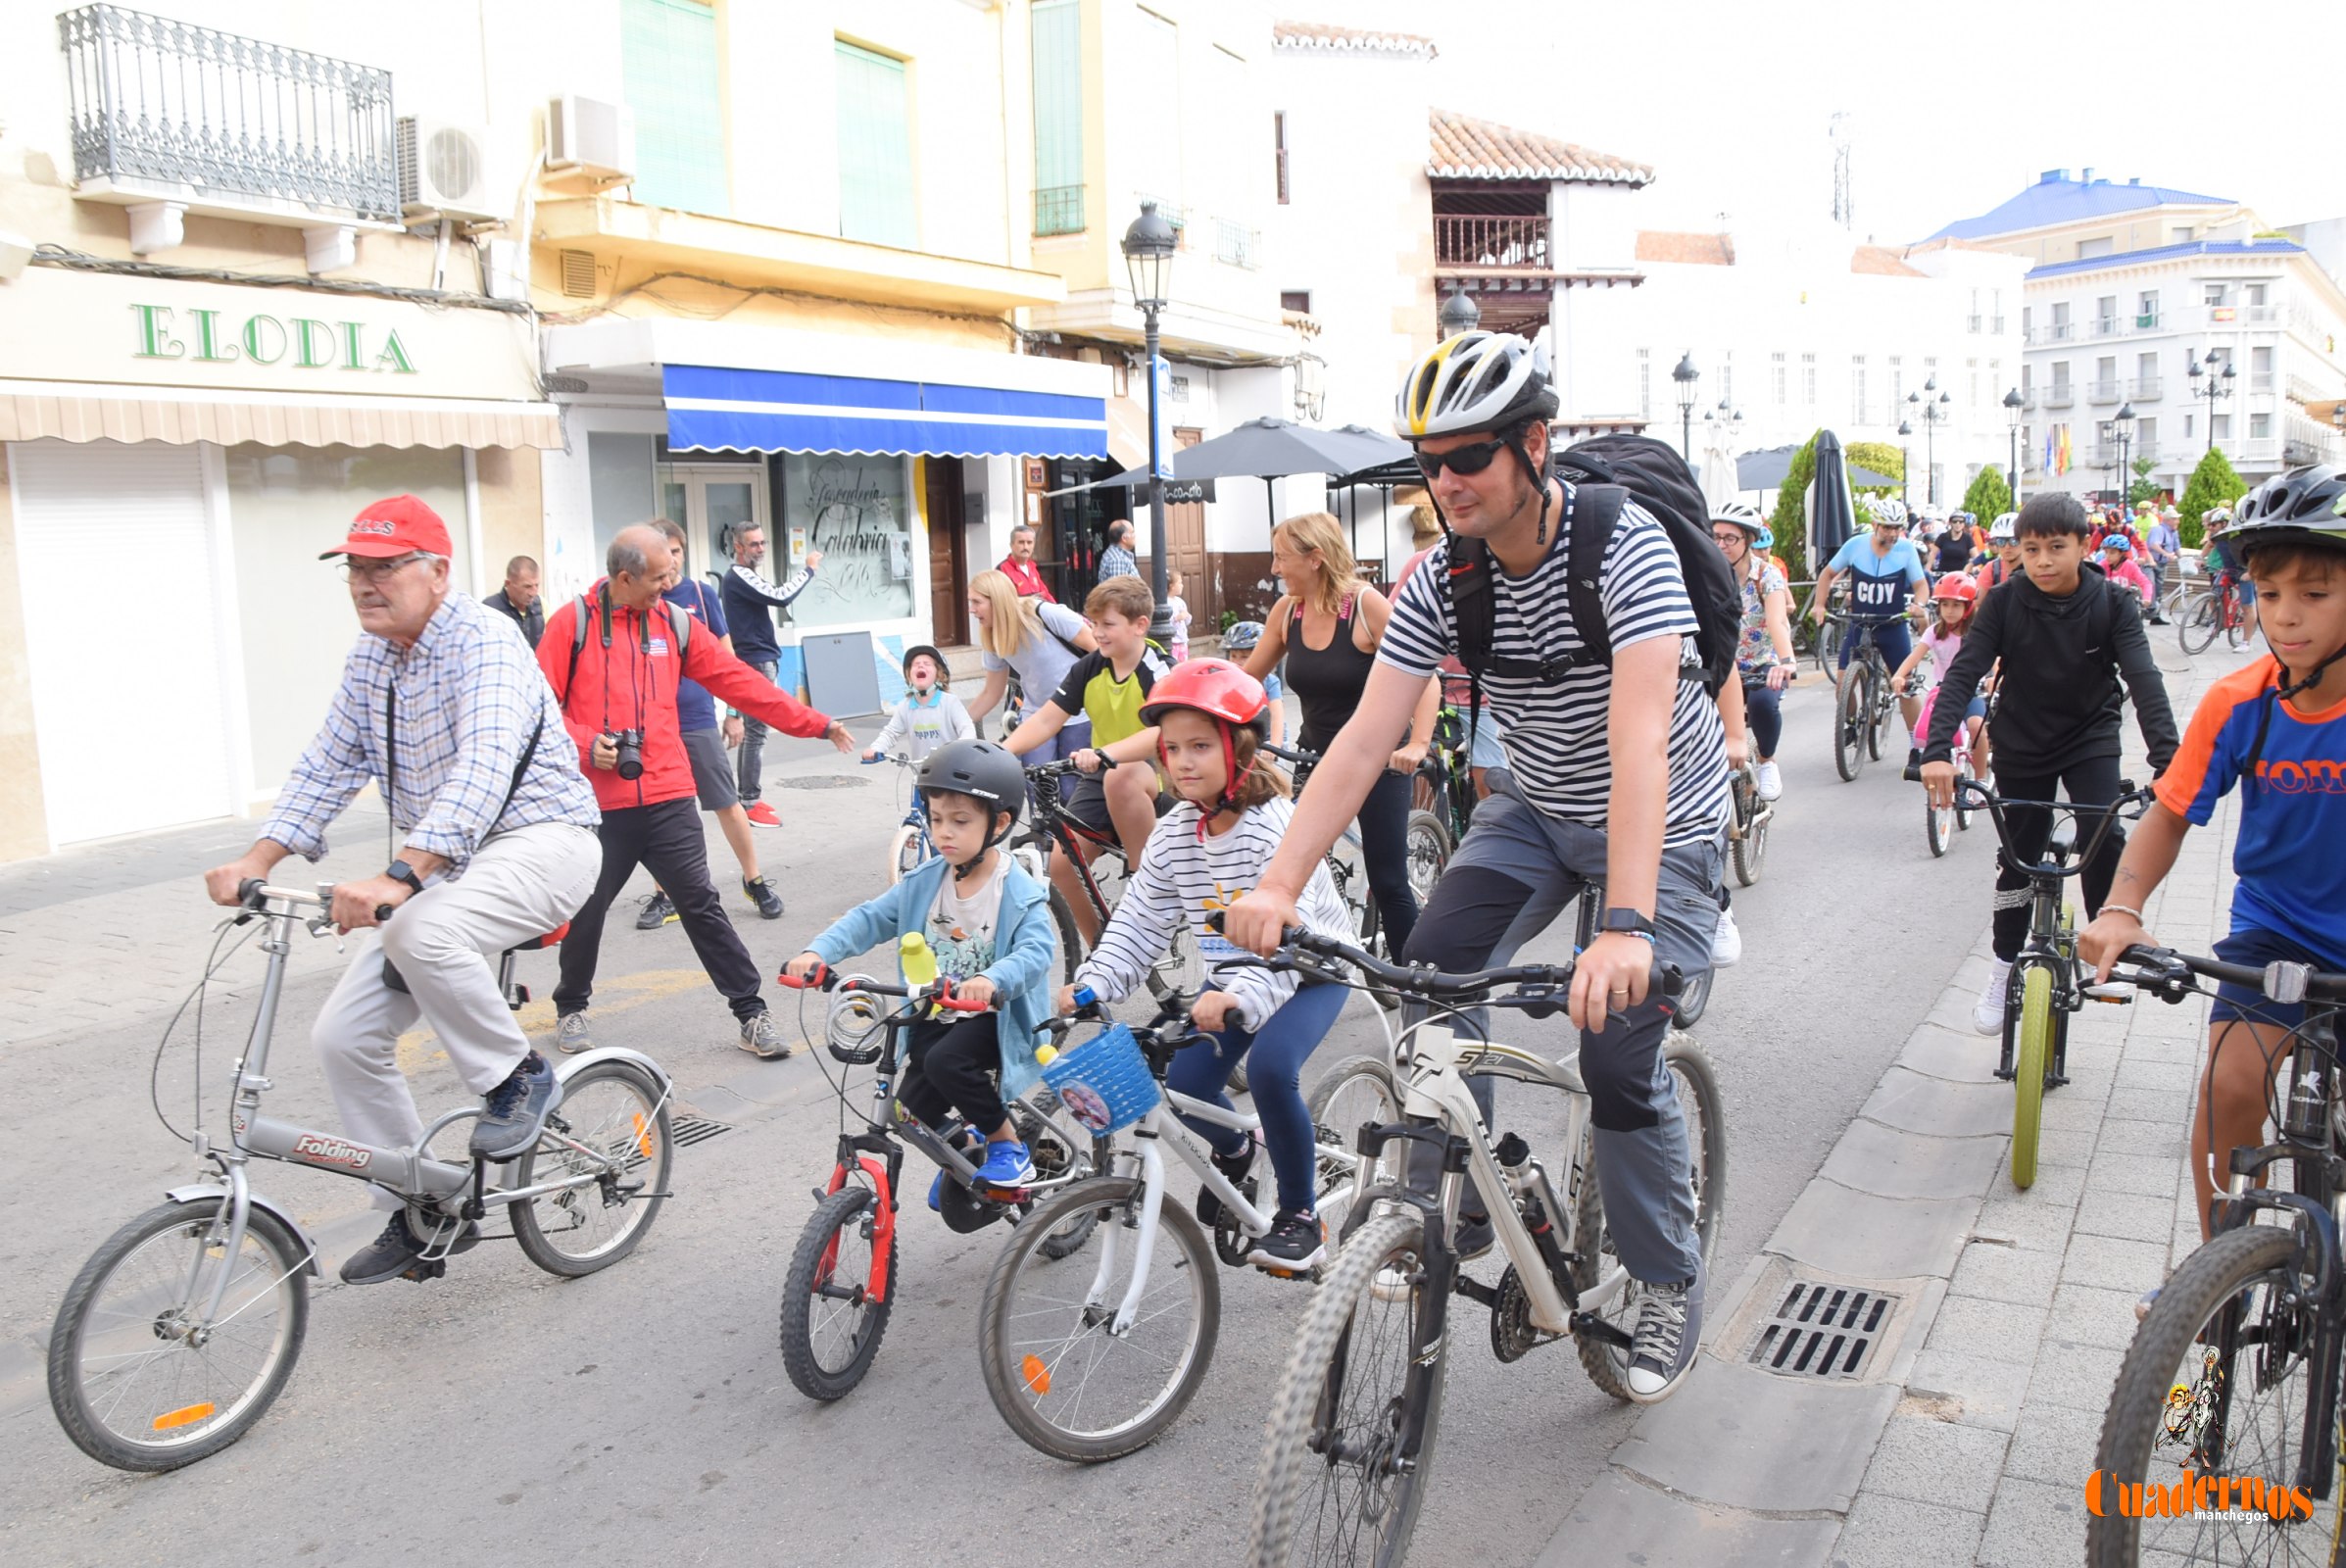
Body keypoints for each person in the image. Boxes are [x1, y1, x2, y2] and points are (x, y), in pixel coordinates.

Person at [1223, 329, 1725, 1402]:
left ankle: (1667, 1277)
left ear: (1533, 445)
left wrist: (1625, 927)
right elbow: (1364, 739)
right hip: (1539, 811)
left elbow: (1640, 748)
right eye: (1430, 460)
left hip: (1665, 818)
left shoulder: (1627, 549)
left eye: (1470, 457)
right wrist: (1276, 883)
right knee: (1430, 967)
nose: (1446, 480)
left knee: (1617, 1052)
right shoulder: (1440, 578)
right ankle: (1466, 1172)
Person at [202, 496, 603, 1286]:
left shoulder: (484, 640)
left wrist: (398, 876)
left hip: (542, 842)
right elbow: (328, 763)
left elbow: (483, 768)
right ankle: (423, 1208)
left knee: (418, 931)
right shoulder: (372, 659)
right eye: (355, 568)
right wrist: (259, 858)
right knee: (341, 1037)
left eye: (385, 566)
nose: (364, 583)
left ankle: (518, 1078)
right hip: (446, 870)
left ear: (438, 572)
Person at [2078, 465, 2346, 1249]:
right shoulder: (2240, 700)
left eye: (2314, 593)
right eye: (2268, 594)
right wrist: (2121, 910)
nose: (2286, 617)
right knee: (2230, 1088)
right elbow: (2169, 815)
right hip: (2277, 933)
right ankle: (2213, 1281)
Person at [1055, 660, 1352, 1269]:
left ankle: (1301, 1213)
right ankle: (1240, 1150)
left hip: (1309, 969)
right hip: (1235, 976)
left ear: (1240, 749)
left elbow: (1279, 955)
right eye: (1171, 748)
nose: (1182, 761)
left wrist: (1237, 997)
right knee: (1187, 1086)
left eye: (1199, 746)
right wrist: (1090, 984)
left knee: (1271, 1070)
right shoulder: (1173, 833)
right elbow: (1138, 923)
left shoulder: (1270, 831)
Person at [543, 525, 856, 1061]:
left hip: (667, 793)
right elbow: (538, 706)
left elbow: (741, 682)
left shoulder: (676, 624)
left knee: (702, 905)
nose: (669, 586)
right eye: (659, 578)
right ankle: (571, 1005)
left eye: (672, 574)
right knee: (586, 909)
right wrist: (584, 742)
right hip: (597, 805)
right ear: (624, 577)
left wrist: (815, 723)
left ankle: (751, 1014)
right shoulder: (572, 624)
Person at [1920, 494, 2178, 1035]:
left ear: (2084, 547)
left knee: (2102, 828)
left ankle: (2106, 945)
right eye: (2031, 549)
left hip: (2090, 736)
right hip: (2022, 738)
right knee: (2020, 850)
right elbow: (1964, 673)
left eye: (2056, 548)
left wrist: (2168, 760)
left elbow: (2144, 679)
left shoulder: (2113, 602)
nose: (2041, 561)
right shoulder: (2005, 601)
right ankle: (2002, 964)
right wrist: (1937, 752)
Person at [786, 739, 1057, 1196]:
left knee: (946, 1062)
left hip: (995, 1017)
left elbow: (1036, 952)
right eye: (935, 820)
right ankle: (965, 1152)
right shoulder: (924, 882)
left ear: (1000, 823)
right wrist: (818, 953)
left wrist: (990, 979)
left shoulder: (1017, 889)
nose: (943, 833)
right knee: (905, 1108)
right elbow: (868, 918)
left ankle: (1007, 1145)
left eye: (960, 821)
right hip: (938, 1011)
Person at [1234, 511, 1439, 957]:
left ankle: (1416, 985)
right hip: (1317, 757)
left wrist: (1417, 743)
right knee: (1290, 870)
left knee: (1388, 880)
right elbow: (1248, 683)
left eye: (1281, 558)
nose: (1273, 569)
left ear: (1316, 559)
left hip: (1376, 761)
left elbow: (1426, 676)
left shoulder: (1366, 607)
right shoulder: (1288, 611)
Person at [1002, 574, 1172, 943]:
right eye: (1093, 623)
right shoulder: (1091, 667)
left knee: (1121, 775)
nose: (1097, 632)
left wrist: (1106, 753)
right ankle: (1103, 948)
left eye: (1107, 624)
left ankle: (1147, 886)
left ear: (1140, 625)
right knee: (1062, 866)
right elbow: (1048, 718)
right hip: (1104, 773)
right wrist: (1000, 753)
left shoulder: (1157, 669)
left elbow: (1162, 732)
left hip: (1156, 775)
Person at [634, 520, 786, 930]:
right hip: (655, 724)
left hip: (699, 717)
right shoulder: (640, 598)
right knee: (660, 810)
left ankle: (754, 881)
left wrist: (734, 712)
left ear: (682, 553)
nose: (670, 560)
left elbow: (726, 659)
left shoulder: (701, 595)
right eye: (661, 551)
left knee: (727, 803)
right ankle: (664, 894)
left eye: (676, 551)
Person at [718, 523, 823, 828]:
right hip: (755, 661)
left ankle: (749, 796)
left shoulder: (742, 576)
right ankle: (749, 800)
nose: (761, 549)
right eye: (754, 544)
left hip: (760, 659)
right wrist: (809, 570)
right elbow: (780, 597)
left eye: (763, 543)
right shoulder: (738, 576)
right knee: (756, 734)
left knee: (756, 733)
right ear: (738, 547)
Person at [1814, 494, 1931, 747]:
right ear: (1874, 524)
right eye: (1887, 527)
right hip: (1860, 623)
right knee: (1843, 685)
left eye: (1897, 528)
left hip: (1892, 625)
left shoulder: (1906, 549)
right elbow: (1827, 574)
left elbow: (1922, 586)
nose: (1892, 533)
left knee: (1906, 686)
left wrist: (1918, 605)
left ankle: (1918, 745)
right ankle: (1855, 721)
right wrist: (1819, 605)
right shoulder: (1855, 545)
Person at [964, 568, 1098, 760]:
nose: (971, 609)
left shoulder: (1044, 614)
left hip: (1079, 713)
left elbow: (1100, 652)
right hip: (1036, 714)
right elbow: (991, 692)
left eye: (977, 602)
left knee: (1071, 786)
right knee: (1035, 782)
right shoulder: (992, 636)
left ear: (997, 599)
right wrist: (957, 725)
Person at [1713, 502, 1793, 802]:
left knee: (1762, 704)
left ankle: (1766, 761)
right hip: (1721, 664)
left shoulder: (1767, 575)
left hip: (1761, 663)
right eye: (1716, 537)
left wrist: (1786, 661)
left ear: (1748, 539)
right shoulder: (1708, 573)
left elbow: (1776, 620)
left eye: (1730, 538)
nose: (1721, 544)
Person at [1893, 574, 1988, 779]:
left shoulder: (1978, 633)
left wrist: (1993, 678)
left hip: (1973, 690)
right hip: (1943, 690)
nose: (1949, 611)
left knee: (1976, 727)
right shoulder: (1934, 632)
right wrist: (1899, 676)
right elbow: (1914, 657)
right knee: (1930, 730)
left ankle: (1980, 783)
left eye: (1956, 605)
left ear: (1968, 607)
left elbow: (1997, 658)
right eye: (1944, 604)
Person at [864, 644, 975, 761]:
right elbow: (890, 733)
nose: (921, 665)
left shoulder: (949, 702)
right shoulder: (905, 707)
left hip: (951, 768)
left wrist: (961, 747)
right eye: (916, 665)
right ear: (909, 676)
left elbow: (967, 728)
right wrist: (876, 749)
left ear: (939, 675)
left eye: (927, 664)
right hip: (923, 772)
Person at [1221, 620, 1289, 745]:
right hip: (1242, 736)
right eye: (1233, 656)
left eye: (1244, 657)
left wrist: (1275, 745)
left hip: (1269, 736)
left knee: (1273, 762)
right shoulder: (1228, 680)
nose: (1237, 661)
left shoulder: (1269, 682)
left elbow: (1276, 716)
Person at [483, 554, 545, 648]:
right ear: (508, 584)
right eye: (527, 586)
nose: (533, 593)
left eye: (536, 585)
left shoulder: (541, 605)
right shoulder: (489, 609)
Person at [997, 523, 1055, 602]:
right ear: (1011, 545)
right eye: (1021, 542)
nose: (1025, 547)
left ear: (1034, 545)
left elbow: (1046, 594)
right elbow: (1002, 602)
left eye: (1029, 542)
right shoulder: (1002, 570)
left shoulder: (1032, 567)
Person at [2143, 506, 2182, 623]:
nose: (2178, 522)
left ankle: (2155, 616)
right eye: (2175, 519)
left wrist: (2184, 559)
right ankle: (2148, 611)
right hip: (2150, 563)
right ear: (2168, 520)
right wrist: (2166, 554)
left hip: (2162, 564)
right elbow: (2154, 544)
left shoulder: (2174, 533)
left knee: (2159, 589)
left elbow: (2176, 548)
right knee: (2151, 586)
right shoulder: (2158, 530)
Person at [2098, 533, 2155, 612]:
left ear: (2122, 553)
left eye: (2112, 552)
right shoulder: (2102, 565)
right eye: (2106, 552)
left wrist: (2146, 598)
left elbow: (2145, 583)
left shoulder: (2130, 566)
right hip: (2105, 604)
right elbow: (2092, 581)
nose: (2108, 556)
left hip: (2123, 604)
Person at [1974, 512, 2023, 596]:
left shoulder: (2033, 567)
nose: (2007, 546)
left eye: (2013, 541)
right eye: (2001, 541)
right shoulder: (1992, 569)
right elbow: (1978, 604)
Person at [1932, 513, 1978, 577]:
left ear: (1964, 524)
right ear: (1950, 523)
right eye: (1955, 521)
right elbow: (1933, 553)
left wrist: (1974, 567)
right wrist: (1928, 568)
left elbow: (1975, 556)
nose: (1957, 524)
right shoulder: (1942, 537)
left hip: (1962, 575)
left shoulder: (1968, 538)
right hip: (1944, 575)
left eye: (1961, 522)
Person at [1097, 519, 1139, 584]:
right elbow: (1120, 592)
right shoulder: (1118, 560)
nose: (1135, 535)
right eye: (1132, 532)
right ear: (1124, 538)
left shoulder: (1114, 555)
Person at [1165, 567, 1194, 662]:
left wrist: (1187, 616)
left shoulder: (1180, 602)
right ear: (1172, 586)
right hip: (1172, 642)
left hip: (1182, 640)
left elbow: (1187, 621)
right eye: (1180, 583)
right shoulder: (1165, 602)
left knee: (1183, 665)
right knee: (1173, 665)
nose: (1182, 585)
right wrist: (1176, 619)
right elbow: (1164, 623)